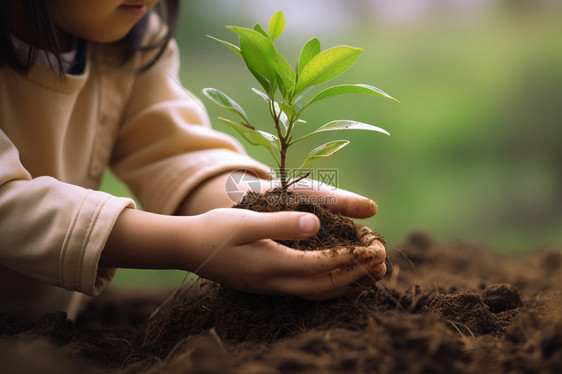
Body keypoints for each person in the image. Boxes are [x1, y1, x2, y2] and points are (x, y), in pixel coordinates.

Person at [0, 0, 385, 322]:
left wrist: (257, 202)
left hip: (59, 329)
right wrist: (185, 244)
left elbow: (174, 155)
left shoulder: (130, 36)